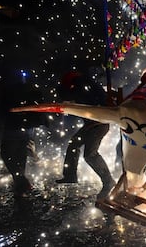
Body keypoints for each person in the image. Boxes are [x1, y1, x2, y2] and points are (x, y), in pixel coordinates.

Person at [56, 71, 115, 200]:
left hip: (99, 124)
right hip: (91, 124)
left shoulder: (82, 84)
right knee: (73, 144)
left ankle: (108, 181)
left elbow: (75, 97)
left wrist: (63, 93)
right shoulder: (84, 83)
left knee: (90, 154)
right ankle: (70, 176)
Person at [0, 69, 49, 198]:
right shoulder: (32, 88)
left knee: (7, 153)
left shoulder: (11, 90)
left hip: (16, 125)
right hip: (27, 125)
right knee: (20, 153)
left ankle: (20, 182)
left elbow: (4, 107)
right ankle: (20, 183)